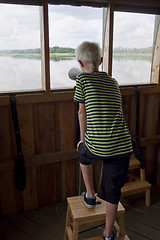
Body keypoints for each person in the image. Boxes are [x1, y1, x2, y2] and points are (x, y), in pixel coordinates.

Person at [74, 41, 133, 240]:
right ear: (100, 60)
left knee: (82, 152)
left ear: (80, 63)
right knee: (113, 191)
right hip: (123, 145)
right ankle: (108, 234)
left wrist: (82, 140)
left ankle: (90, 195)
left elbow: (82, 114)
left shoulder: (81, 80)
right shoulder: (113, 81)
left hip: (97, 147)